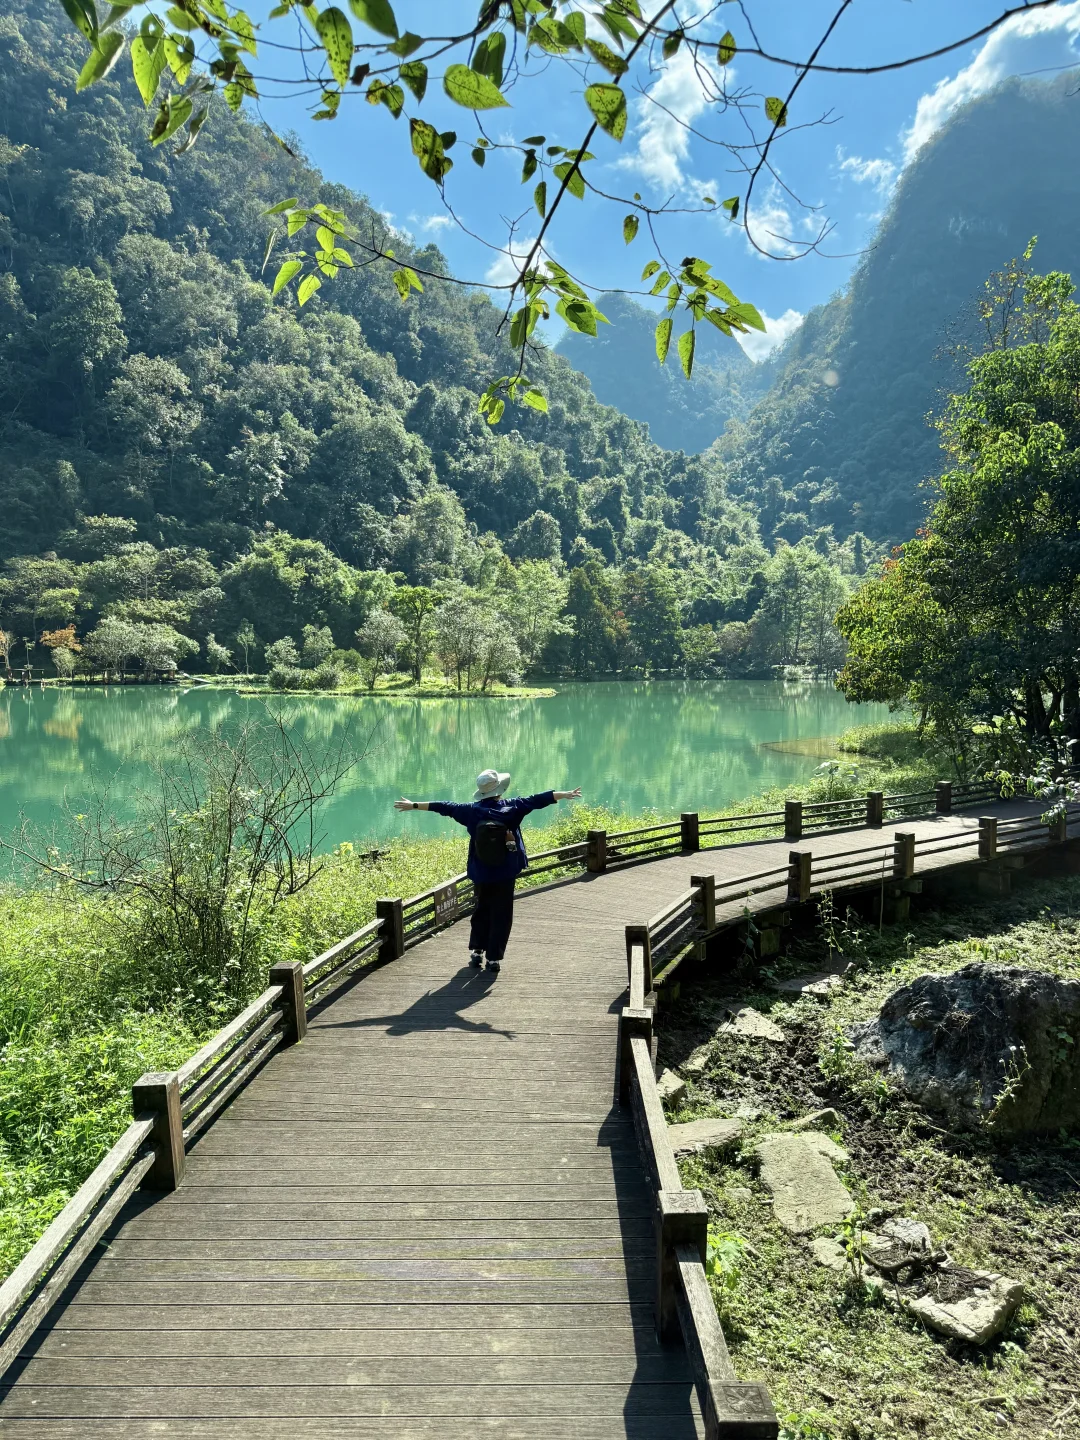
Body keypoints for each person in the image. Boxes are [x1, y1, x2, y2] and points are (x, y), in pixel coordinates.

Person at [394, 769, 582, 973]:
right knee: (502, 912)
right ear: (500, 789)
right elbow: (537, 800)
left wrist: (413, 805)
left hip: (481, 870)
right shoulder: (513, 807)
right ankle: (494, 959)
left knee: (482, 908)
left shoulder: (470, 811)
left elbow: (443, 806)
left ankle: (477, 951)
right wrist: (565, 794)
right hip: (506, 870)